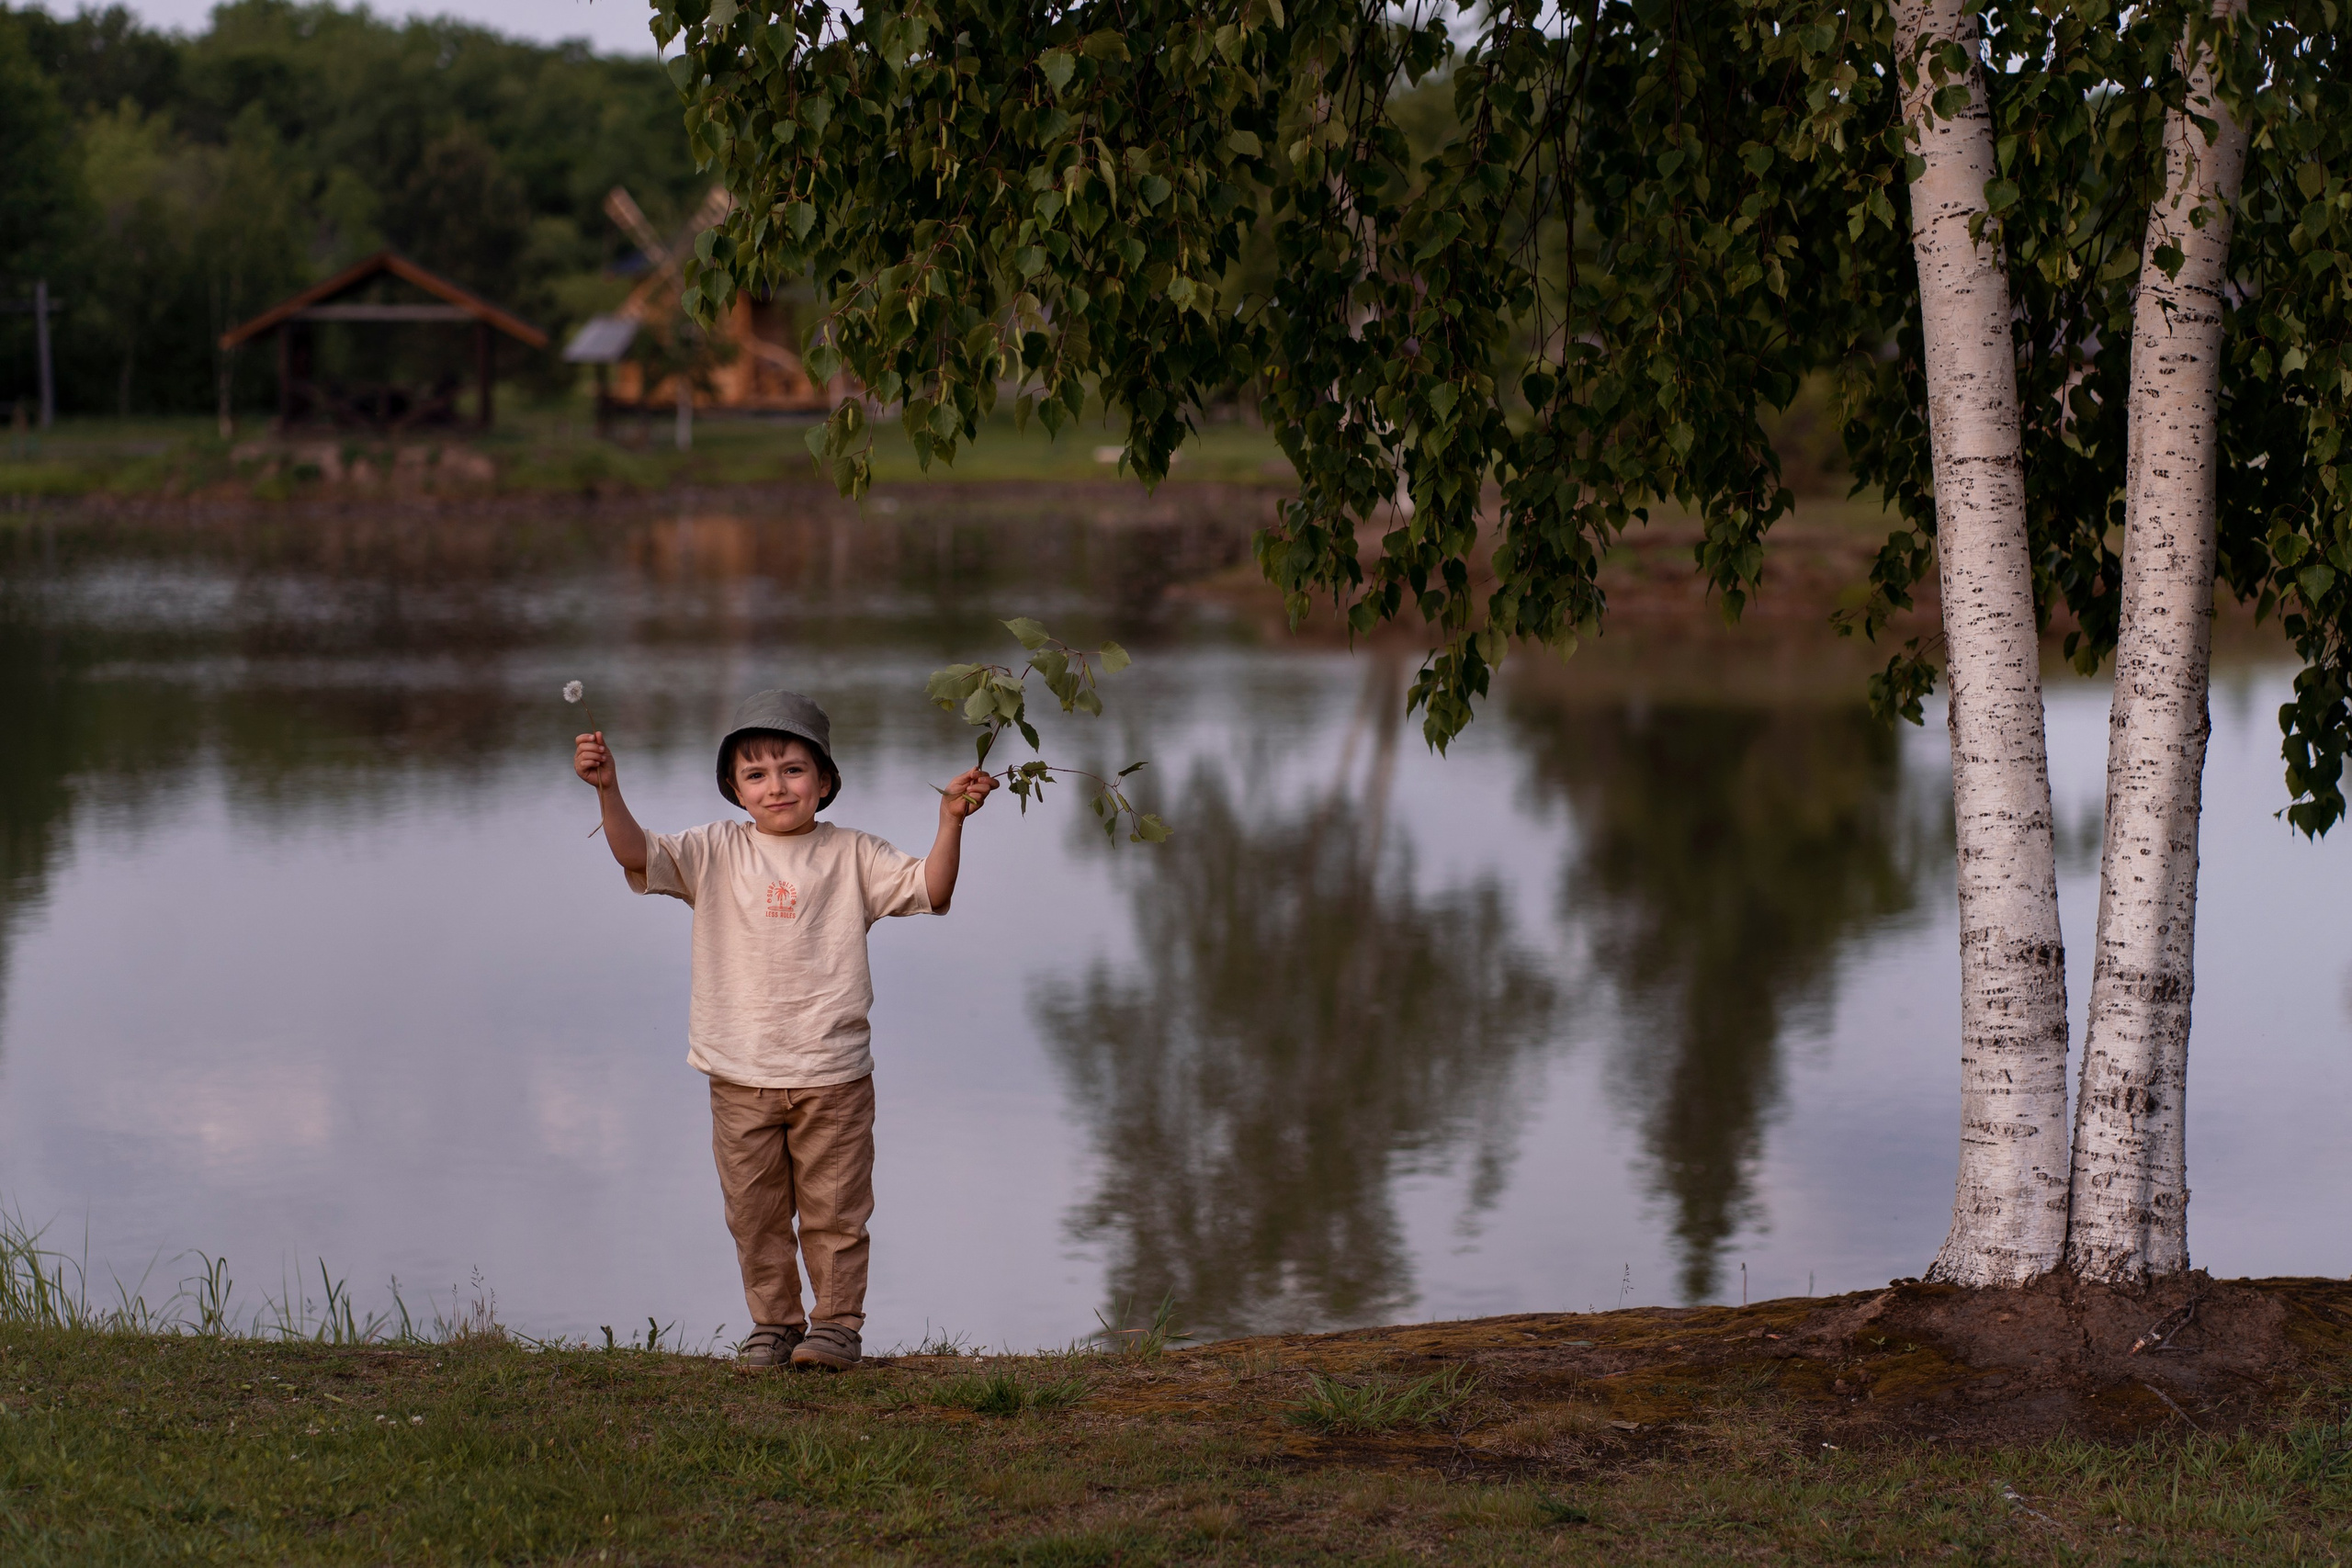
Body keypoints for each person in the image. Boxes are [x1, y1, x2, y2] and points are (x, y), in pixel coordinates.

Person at [571, 689, 996, 1371]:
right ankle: (773, 1325)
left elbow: (931, 889)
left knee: (835, 1211)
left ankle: (835, 1327)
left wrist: (951, 820)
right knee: (755, 1213)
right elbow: (634, 853)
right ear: (734, 788)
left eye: (794, 769)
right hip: (738, 1073)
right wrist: (608, 788)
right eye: (757, 774)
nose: (777, 786)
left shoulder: (854, 853)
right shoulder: (711, 850)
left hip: (834, 1074)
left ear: (824, 780)